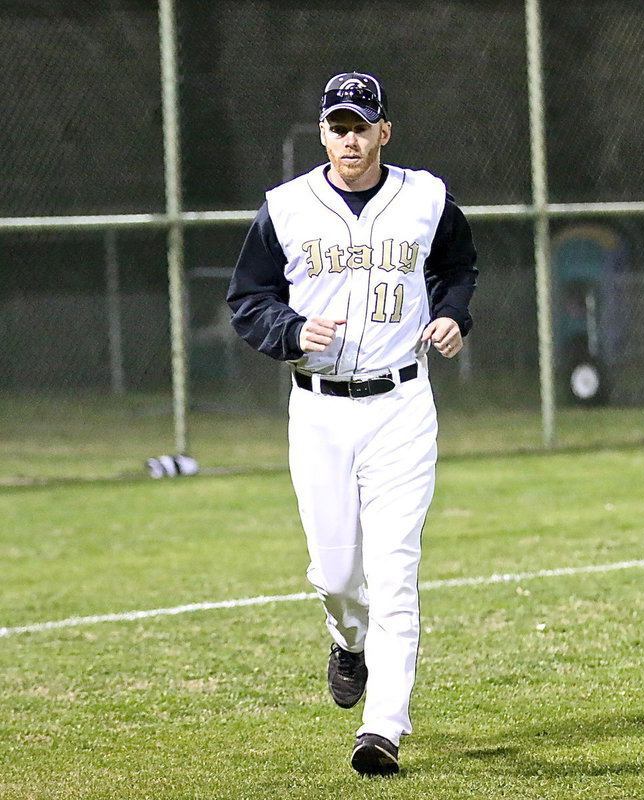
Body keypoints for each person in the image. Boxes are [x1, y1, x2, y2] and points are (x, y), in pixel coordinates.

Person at [227, 71, 477, 776]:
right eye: (338, 126)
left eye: (361, 126)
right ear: (322, 134)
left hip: (401, 406)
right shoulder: (285, 207)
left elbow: (456, 265)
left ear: (383, 133)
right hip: (318, 411)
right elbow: (248, 298)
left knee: (393, 570)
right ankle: (348, 639)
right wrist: (291, 328)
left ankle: (382, 729)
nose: (350, 139)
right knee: (338, 574)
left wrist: (453, 313)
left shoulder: (424, 197)